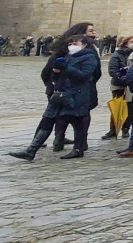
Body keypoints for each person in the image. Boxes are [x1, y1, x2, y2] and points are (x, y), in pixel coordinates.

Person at [9, 25, 100, 161]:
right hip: (60, 94)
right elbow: (52, 75)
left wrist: (66, 68)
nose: (72, 46)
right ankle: (31, 150)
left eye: (75, 43)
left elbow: (85, 75)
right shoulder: (66, 56)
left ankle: (78, 149)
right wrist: (56, 73)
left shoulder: (89, 57)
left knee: (78, 121)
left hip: (77, 94)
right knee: (48, 119)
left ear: (84, 44)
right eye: (70, 43)